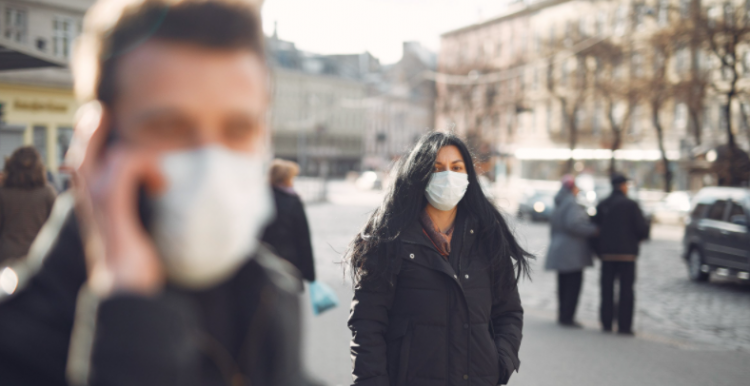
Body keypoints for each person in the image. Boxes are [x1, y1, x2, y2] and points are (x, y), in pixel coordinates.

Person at [0, 1, 315, 386]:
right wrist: (129, 318)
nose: (210, 163)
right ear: (99, 143)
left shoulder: (270, 295)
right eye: (171, 127)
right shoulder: (14, 338)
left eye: (238, 128)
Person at [347, 132, 532, 386]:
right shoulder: (389, 240)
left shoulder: (487, 236)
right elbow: (367, 325)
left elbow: (508, 312)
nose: (448, 176)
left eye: (457, 168)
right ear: (418, 175)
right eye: (437, 168)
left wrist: (500, 363)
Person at [593, 173, 650, 335]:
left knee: (606, 289)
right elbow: (642, 229)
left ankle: (606, 323)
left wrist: (600, 251)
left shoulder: (603, 204)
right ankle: (624, 326)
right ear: (624, 186)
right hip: (627, 255)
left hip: (607, 255)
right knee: (626, 291)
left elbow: (594, 230)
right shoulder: (631, 205)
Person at [544, 175, 598, 328]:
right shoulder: (572, 204)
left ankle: (563, 315)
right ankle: (568, 317)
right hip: (572, 252)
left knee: (563, 285)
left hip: (559, 249)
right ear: (572, 188)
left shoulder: (559, 203)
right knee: (573, 286)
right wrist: (593, 230)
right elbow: (574, 224)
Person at [0, 147, 58, 265]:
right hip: (38, 258)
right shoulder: (48, 193)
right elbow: (57, 229)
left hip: (7, 257)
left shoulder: (3, 193)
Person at [262, 159, 316, 284]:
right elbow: (303, 238)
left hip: (262, 261)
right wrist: (310, 276)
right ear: (287, 178)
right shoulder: (292, 201)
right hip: (289, 264)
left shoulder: (259, 198)